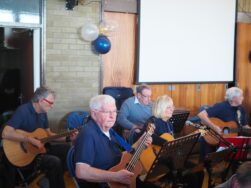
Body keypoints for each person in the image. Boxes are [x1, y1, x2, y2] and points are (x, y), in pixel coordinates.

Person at [74, 94, 157, 188]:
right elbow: (81, 172)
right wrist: (115, 177)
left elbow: (128, 152)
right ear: (94, 114)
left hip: (122, 178)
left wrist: (141, 142)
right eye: (107, 112)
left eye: (114, 111)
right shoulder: (88, 134)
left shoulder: (110, 130)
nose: (112, 116)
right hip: (105, 184)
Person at [1, 86, 75, 188]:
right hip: (25, 155)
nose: (52, 106)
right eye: (50, 103)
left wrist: (68, 138)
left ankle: (49, 179)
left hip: (38, 151)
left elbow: (49, 135)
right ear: (41, 101)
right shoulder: (23, 111)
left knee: (67, 149)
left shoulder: (43, 113)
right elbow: (5, 133)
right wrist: (28, 139)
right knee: (54, 162)